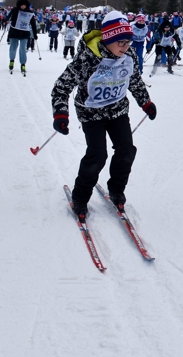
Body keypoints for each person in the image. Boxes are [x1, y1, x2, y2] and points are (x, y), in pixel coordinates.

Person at [51, 11, 156, 218]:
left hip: (118, 111)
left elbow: (133, 80)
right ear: (108, 39)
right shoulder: (87, 58)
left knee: (127, 151)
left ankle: (116, 190)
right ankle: (80, 197)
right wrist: (60, 114)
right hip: (91, 114)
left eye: (129, 42)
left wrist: (146, 102)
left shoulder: (129, 56)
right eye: (121, 43)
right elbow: (61, 88)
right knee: (97, 156)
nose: (126, 47)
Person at [6, 0, 38, 75]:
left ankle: (23, 64)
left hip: (24, 33)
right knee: (13, 47)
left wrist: (35, 34)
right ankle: (11, 61)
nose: (23, 7)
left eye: (24, 5)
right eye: (21, 5)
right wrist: (6, 20)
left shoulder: (29, 12)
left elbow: (33, 24)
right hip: (14, 31)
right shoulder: (15, 10)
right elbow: (9, 16)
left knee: (23, 48)